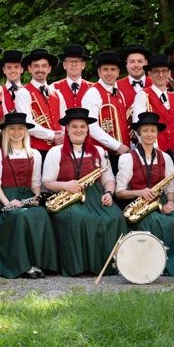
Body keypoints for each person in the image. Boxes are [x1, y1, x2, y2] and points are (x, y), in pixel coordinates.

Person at [42, 108, 126, 276]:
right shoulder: (55, 152)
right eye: (74, 127)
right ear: (67, 129)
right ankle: (80, 267)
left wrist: (109, 193)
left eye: (82, 126)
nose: (79, 130)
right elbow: (47, 182)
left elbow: (108, 179)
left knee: (116, 217)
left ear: (87, 129)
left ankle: (111, 266)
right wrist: (66, 185)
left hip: (95, 195)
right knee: (77, 218)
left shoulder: (99, 151)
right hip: (66, 196)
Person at [0, 112, 58, 278]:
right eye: (11, 128)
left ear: (26, 132)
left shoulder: (34, 154)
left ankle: (37, 263)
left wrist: (35, 198)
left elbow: (35, 184)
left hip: (28, 197)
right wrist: (7, 202)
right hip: (6, 198)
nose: (16, 132)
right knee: (20, 217)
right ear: (5, 132)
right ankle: (22, 265)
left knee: (40, 214)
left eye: (20, 128)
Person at [115, 112, 174, 275]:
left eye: (152, 130)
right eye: (145, 131)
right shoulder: (127, 158)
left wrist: (171, 202)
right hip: (138, 206)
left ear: (157, 133)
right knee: (158, 222)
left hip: (160, 203)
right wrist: (140, 192)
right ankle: (158, 265)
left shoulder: (165, 157)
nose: (149, 134)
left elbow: (170, 186)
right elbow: (119, 192)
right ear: (138, 134)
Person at [82, 51, 131, 170]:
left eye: (113, 69)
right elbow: (91, 127)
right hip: (103, 153)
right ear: (99, 72)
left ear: (118, 72)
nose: (109, 73)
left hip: (122, 151)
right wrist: (117, 146)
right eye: (105, 69)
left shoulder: (119, 93)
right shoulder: (93, 93)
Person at [130, 54, 174, 163]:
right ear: (149, 74)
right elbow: (138, 126)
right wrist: (152, 151)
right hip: (153, 152)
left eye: (164, 71)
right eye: (156, 71)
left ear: (169, 73)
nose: (161, 74)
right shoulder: (143, 95)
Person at [15, 48, 64, 156]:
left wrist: (63, 136)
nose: (40, 69)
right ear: (29, 68)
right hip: (36, 151)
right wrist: (52, 135)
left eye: (44, 66)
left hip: (60, 149)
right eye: (36, 66)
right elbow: (27, 124)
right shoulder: (23, 93)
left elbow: (64, 122)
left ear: (49, 69)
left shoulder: (57, 94)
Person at [53, 44, 92, 109]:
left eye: (76, 61)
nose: (73, 64)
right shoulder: (53, 88)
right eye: (70, 61)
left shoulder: (93, 89)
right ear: (64, 65)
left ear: (83, 65)